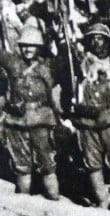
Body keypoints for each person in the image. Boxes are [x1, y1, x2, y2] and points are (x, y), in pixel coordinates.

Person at [0, 23, 61, 200]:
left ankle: (55, 203)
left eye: (32, 45)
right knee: (22, 166)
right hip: (17, 121)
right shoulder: (12, 62)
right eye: (24, 45)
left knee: (48, 165)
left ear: (39, 47)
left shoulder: (47, 67)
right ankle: (24, 203)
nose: (27, 49)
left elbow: (53, 94)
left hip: (41, 119)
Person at [72, 22, 110, 211]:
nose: (96, 42)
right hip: (87, 119)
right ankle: (102, 200)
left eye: (101, 38)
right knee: (92, 163)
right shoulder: (82, 62)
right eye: (93, 38)